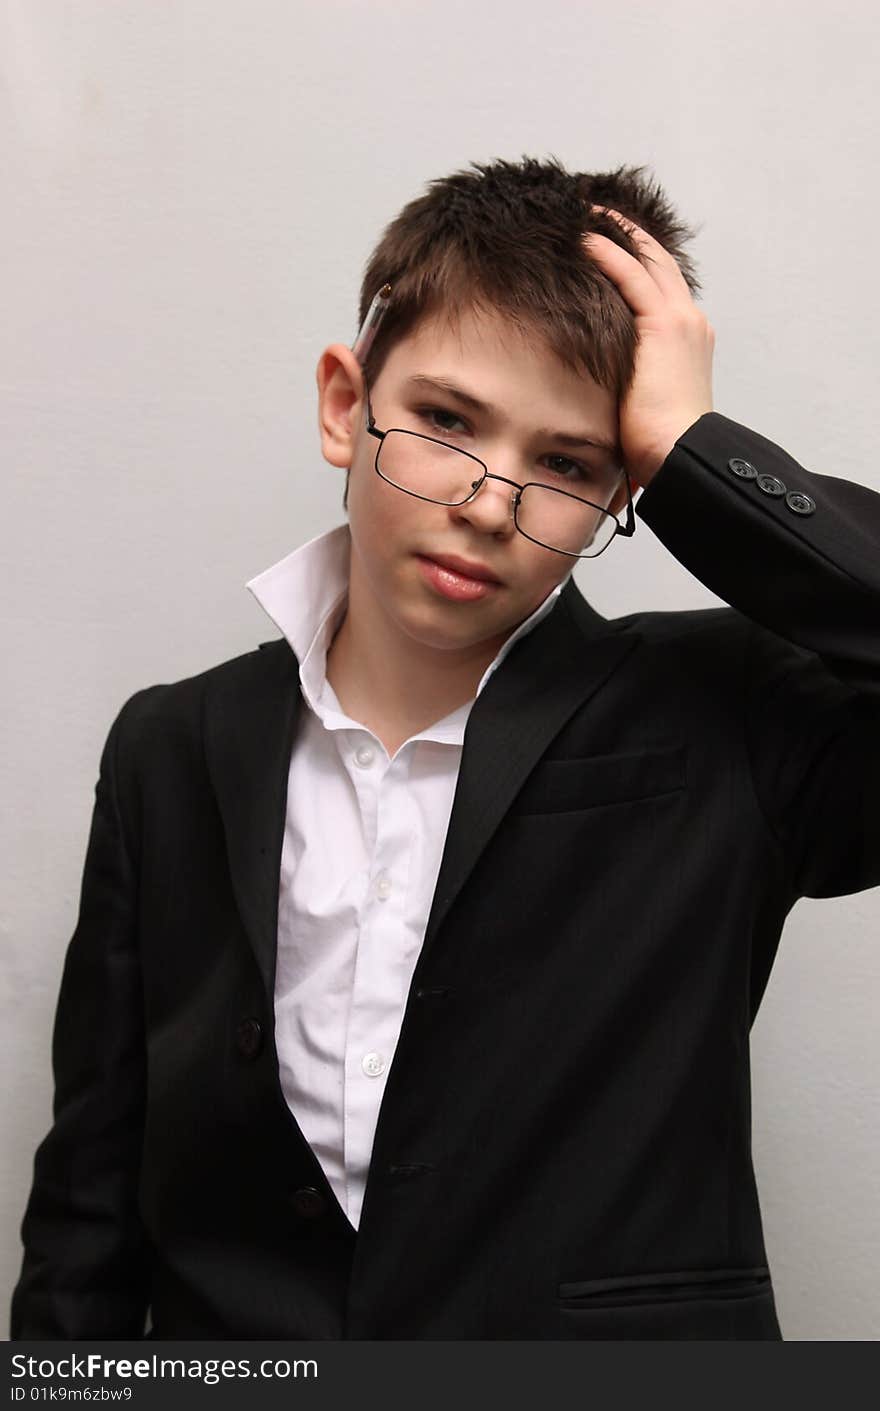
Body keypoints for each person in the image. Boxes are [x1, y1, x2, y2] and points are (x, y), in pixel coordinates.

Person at [10, 157, 879, 1341]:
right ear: (342, 403)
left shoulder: (723, 713)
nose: (485, 499)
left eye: (566, 464)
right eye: (446, 421)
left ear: (620, 490)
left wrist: (690, 447)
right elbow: (89, 1207)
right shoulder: (172, 746)